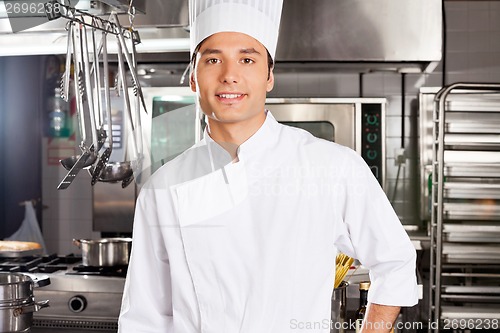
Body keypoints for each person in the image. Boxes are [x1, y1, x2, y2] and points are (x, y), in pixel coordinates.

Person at [118, 0, 418, 332]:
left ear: (269, 76)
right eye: (213, 60)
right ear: (193, 78)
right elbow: (144, 316)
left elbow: (395, 262)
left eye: (247, 59)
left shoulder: (333, 167)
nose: (230, 75)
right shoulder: (163, 188)